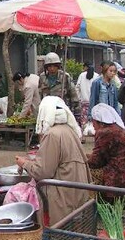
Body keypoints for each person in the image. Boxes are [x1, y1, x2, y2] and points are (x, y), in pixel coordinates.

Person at [14, 96, 91, 225]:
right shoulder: (70, 131)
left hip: (63, 195)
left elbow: (43, 172)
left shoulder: (53, 134)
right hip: (77, 192)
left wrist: (24, 163)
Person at [38, 52, 80, 120]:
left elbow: (74, 96)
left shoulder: (65, 77)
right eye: (49, 66)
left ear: (58, 66)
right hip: (47, 112)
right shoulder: (42, 77)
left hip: (62, 111)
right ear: (46, 67)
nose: (52, 69)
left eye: (54, 66)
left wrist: (77, 115)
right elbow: (40, 95)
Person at [75, 62, 99, 127]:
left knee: (84, 122)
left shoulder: (82, 75)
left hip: (84, 102)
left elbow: (77, 87)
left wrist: (79, 98)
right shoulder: (97, 76)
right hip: (94, 103)